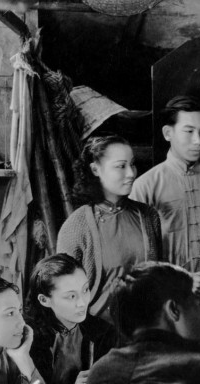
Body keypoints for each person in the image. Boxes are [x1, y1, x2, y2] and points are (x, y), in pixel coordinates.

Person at [130, 95, 200, 304]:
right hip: (165, 302)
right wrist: (182, 279)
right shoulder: (145, 186)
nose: (199, 141)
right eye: (189, 132)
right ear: (167, 133)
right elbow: (138, 257)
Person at [57, 134, 162, 323]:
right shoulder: (76, 227)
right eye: (121, 166)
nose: (131, 173)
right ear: (95, 169)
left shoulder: (148, 216)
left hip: (145, 330)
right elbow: (64, 296)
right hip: (98, 336)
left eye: (132, 164)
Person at [25, 254, 118, 384]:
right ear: (44, 300)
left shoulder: (103, 332)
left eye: (85, 290)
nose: (82, 302)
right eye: (71, 296)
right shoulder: (28, 338)